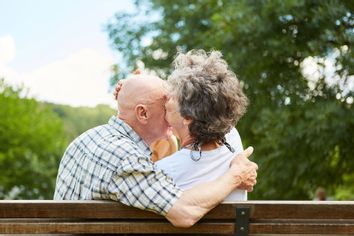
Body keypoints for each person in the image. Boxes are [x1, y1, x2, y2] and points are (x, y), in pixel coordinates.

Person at [54, 75, 258, 228]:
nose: (173, 112)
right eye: (166, 106)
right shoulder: (128, 159)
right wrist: (235, 175)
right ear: (142, 113)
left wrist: (135, 90)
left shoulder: (85, 139)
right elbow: (185, 212)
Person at [155, 50, 249, 201]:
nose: (166, 97)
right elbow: (212, 101)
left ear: (187, 116)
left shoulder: (163, 172)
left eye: (172, 95)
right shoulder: (232, 138)